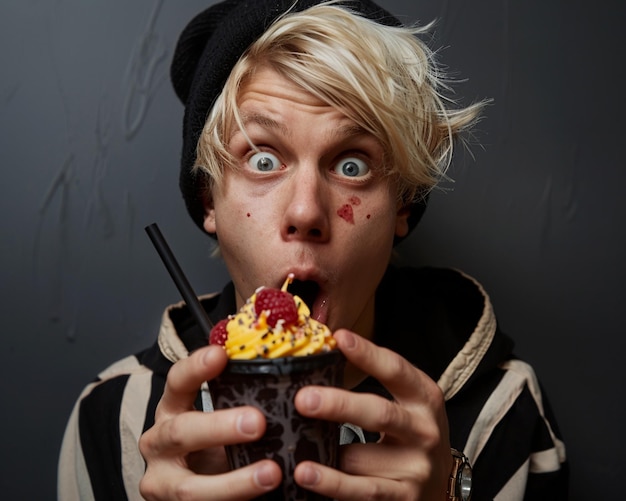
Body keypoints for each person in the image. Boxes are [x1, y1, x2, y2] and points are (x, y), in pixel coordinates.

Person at [58, 1, 569, 499]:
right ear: (208, 198)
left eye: (352, 165)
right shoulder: (114, 421)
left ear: (403, 209)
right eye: (262, 160)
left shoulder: (503, 412)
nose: (306, 211)